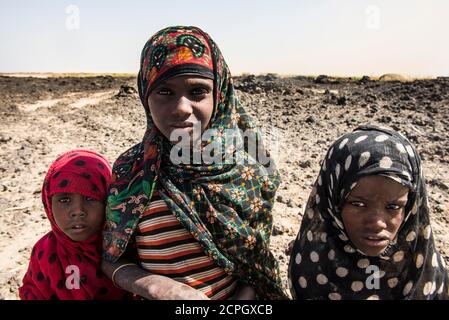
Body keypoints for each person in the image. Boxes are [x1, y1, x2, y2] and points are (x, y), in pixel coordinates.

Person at [101, 26, 286, 300]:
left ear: (220, 94)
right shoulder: (133, 172)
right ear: (145, 95)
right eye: (164, 91)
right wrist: (151, 285)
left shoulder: (246, 172)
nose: (182, 108)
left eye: (198, 91)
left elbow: (256, 268)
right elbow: (110, 257)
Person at [288, 125, 449, 300]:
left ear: (411, 206)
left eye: (393, 207)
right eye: (358, 204)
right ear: (333, 200)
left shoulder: (419, 271)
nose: (377, 223)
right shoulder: (313, 266)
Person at [19, 150, 128, 300]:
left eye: (91, 198)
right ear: (48, 204)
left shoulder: (125, 247)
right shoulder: (44, 251)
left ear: (108, 201)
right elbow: (33, 292)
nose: (78, 211)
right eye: (64, 200)